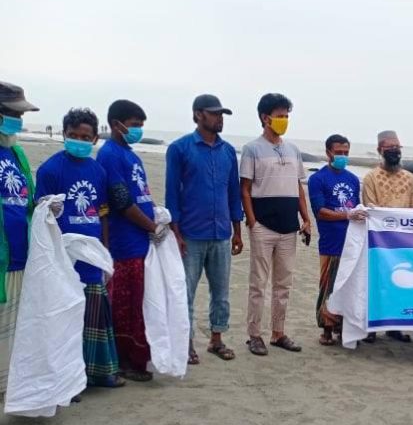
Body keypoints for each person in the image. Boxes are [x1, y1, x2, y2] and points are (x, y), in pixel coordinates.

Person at [35, 107, 124, 388]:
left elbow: (103, 213)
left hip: (91, 257)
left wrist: (105, 253)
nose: (78, 140)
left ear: (95, 138)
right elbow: (40, 215)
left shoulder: (98, 170)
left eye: (85, 136)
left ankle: (99, 373)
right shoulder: (50, 169)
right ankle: (67, 381)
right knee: (66, 322)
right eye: (73, 135)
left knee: (95, 316)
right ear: (64, 135)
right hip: (63, 259)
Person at [166, 94, 243, 364]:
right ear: (198, 114)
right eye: (214, 113)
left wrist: (238, 230)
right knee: (185, 292)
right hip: (190, 233)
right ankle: (185, 342)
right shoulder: (180, 149)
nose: (219, 118)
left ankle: (216, 339)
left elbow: (234, 192)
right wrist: (175, 232)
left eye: (222, 114)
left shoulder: (227, 151)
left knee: (220, 292)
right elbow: (172, 194)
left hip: (221, 233)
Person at [97, 99, 166, 382]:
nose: (138, 130)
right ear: (117, 124)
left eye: (141, 126)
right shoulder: (110, 155)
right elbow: (122, 202)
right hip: (124, 244)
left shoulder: (132, 156)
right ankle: (125, 360)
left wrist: (159, 220)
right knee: (124, 304)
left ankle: (139, 357)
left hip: (140, 243)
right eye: (135, 125)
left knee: (140, 303)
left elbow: (142, 195)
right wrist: (152, 227)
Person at [241, 93, 309, 356]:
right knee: (258, 283)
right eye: (279, 116)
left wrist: (306, 219)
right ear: (265, 118)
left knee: (284, 283)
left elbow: (298, 187)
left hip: (288, 227)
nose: (283, 120)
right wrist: (252, 221)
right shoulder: (252, 149)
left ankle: (278, 333)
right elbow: (245, 188)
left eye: (286, 116)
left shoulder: (292, 150)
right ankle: (254, 334)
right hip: (263, 226)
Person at [361, 130, 413, 344]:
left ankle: (395, 326)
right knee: (376, 284)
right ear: (380, 150)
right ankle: (372, 328)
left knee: (400, 283)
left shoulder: (410, 179)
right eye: (389, 147)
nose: (394, 151)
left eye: (397, 147)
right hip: (379, 241)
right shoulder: (371, 178)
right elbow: (371, 208)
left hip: (403, 243)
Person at [0, 81, 38, 401]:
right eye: (13, 114)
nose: (19, 121)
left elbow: (27, 201)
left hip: (19, 258)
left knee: (11, 329)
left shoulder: (17, 154)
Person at [308, 134, 363, 346]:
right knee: (328, 286)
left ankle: (343, 327)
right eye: (338, 152)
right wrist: (346, 215)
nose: (342, 156)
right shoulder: (318, 179)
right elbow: (320, 211)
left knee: (348, 286)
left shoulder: (352, 179)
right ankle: (327, 329)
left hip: (351, 242)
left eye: (346, 153)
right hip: (331, 242)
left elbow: (356, 206)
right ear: (328, 152)